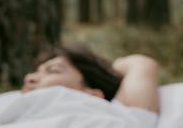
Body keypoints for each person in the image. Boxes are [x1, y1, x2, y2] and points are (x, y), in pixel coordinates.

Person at [22, 45, 161, 114]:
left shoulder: (117, 117)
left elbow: (141, 64)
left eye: (52, 71)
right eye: (36, 72)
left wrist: (107, 70)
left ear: (93, 94)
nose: (29, 77)